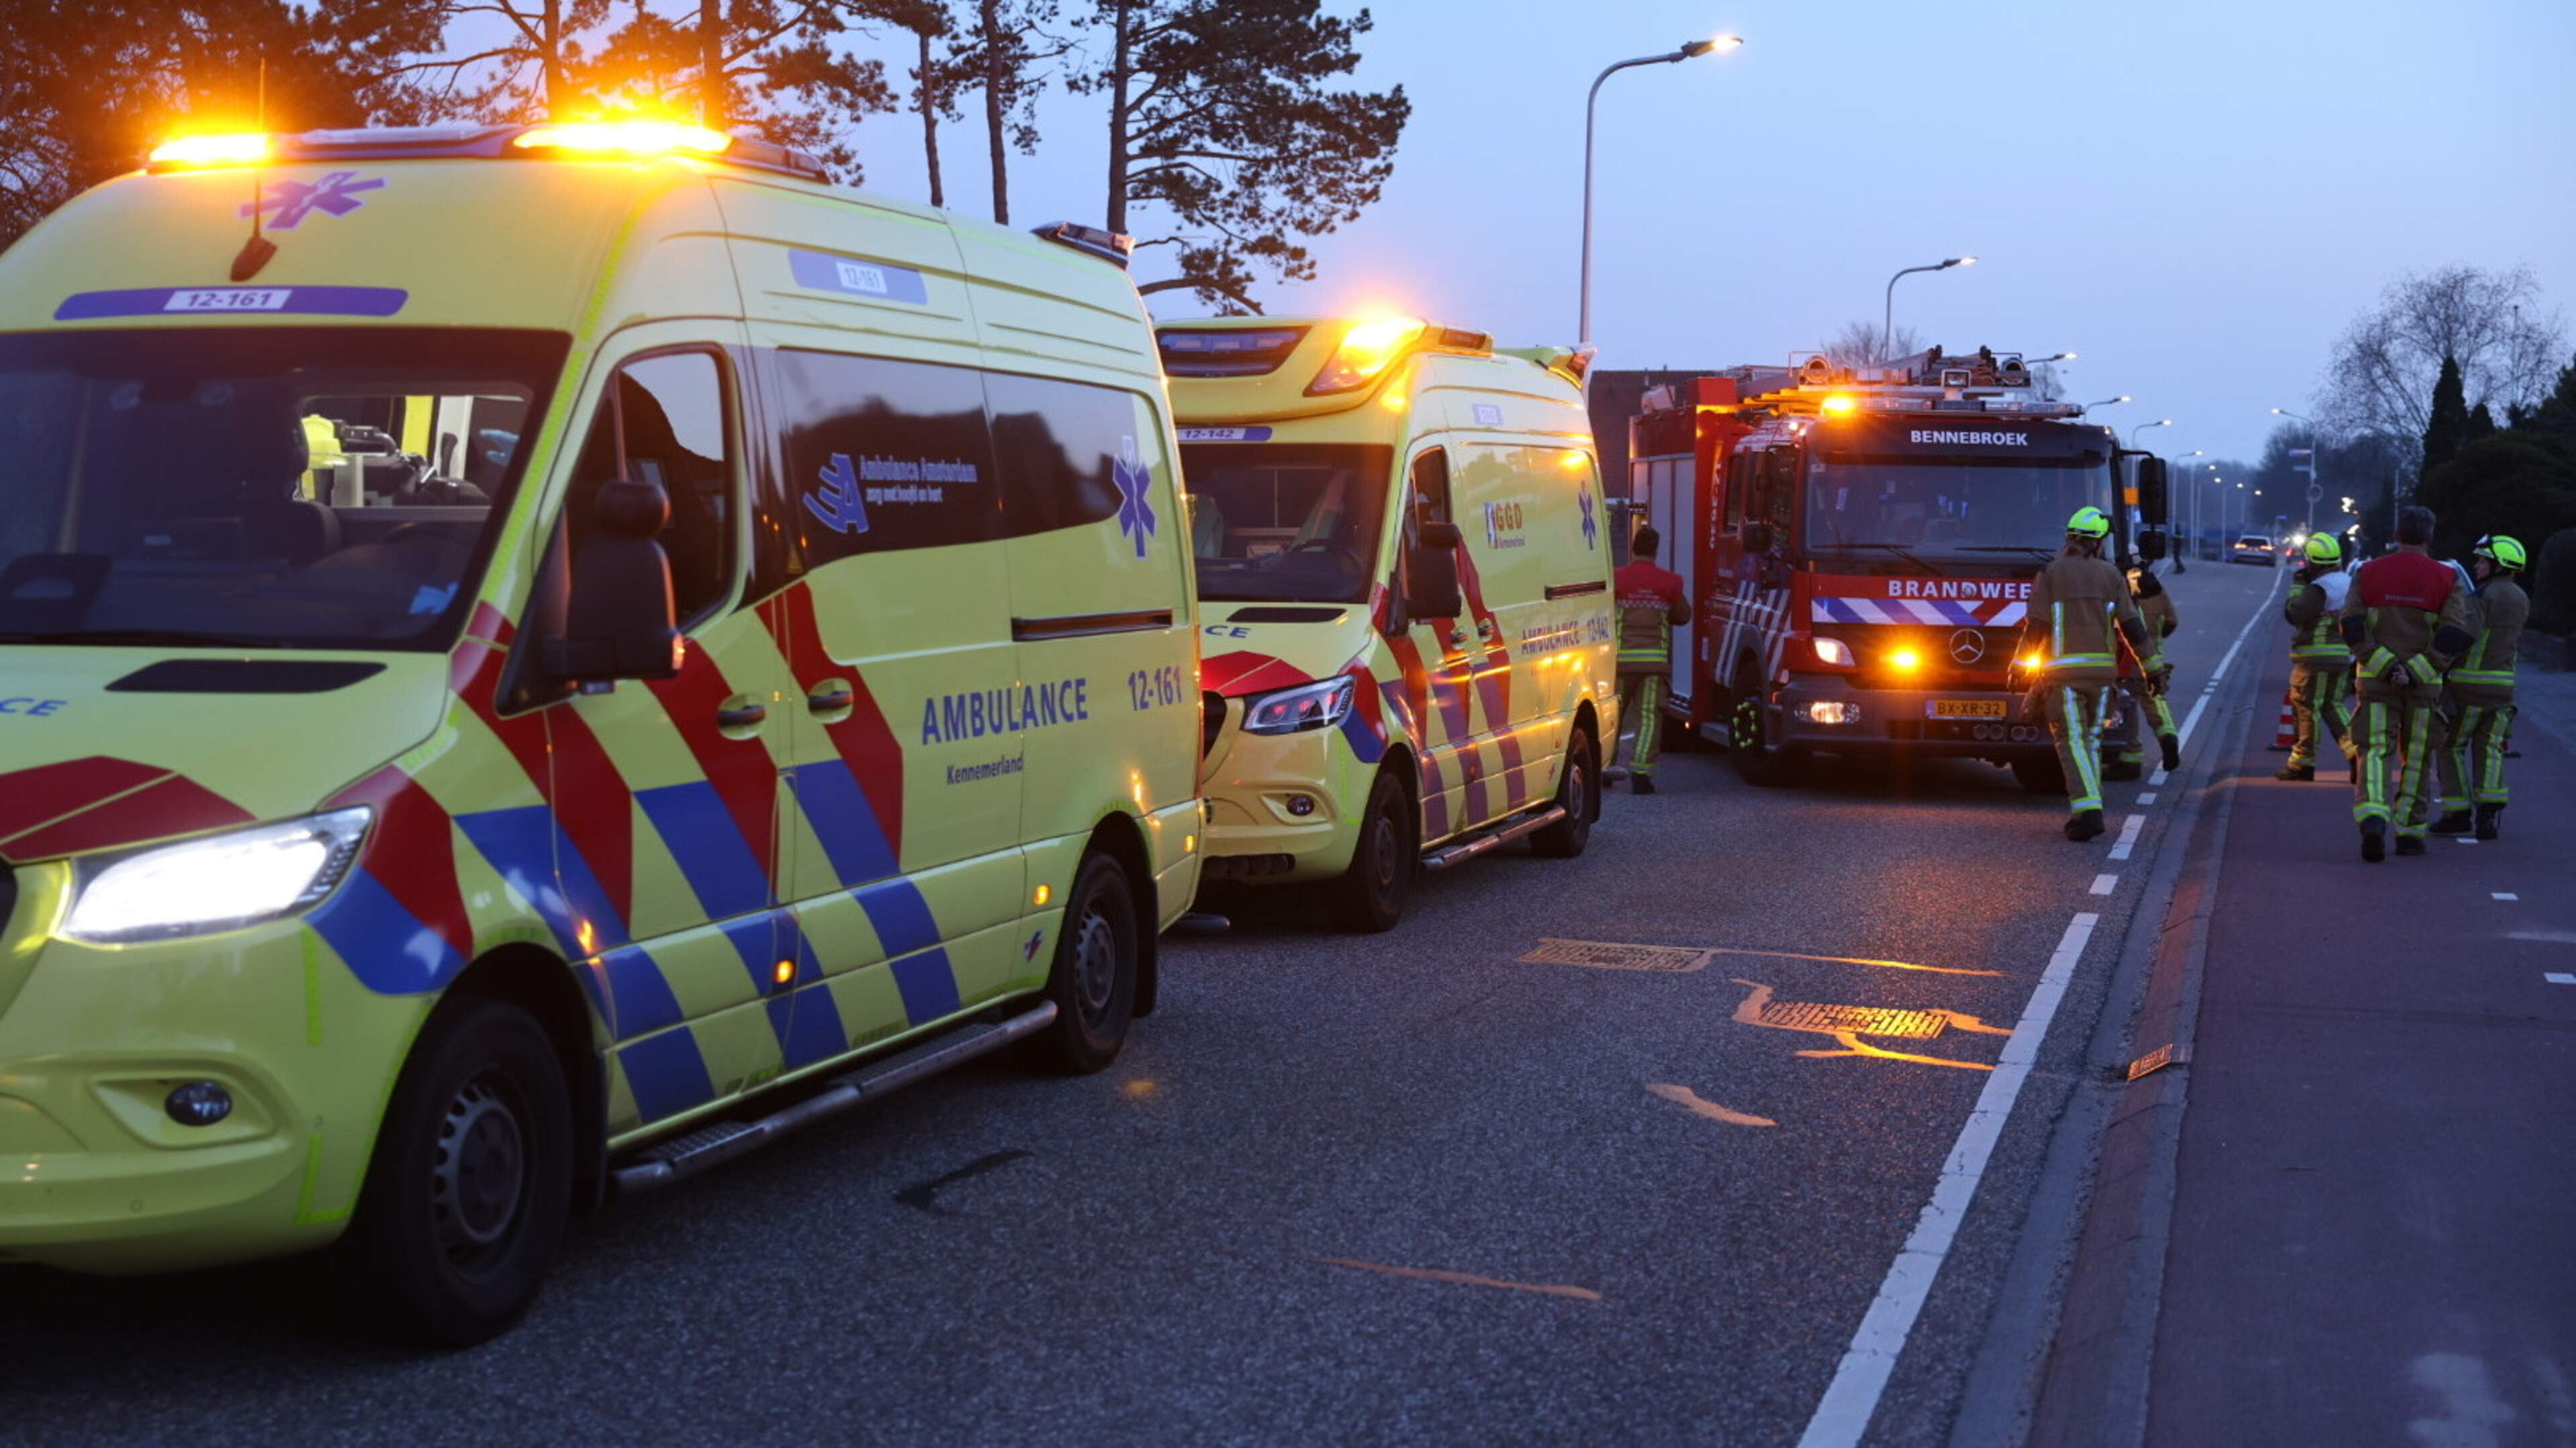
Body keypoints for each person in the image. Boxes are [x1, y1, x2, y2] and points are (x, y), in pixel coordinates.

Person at [2339, 506, 2475, 861]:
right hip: (2423, 687)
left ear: (2398, 535)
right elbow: (2453, 633)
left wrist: (2384, 666)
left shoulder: (2368, 572)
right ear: (2430, 537)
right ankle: (2410, 834)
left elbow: (2351, 625)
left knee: (2376, 753)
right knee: (2417, 758)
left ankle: (2372, 817)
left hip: (2376, 684)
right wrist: (2415, 670)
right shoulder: (2447, 578)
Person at [2021, 508, 2164, 841]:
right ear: (2099, 542)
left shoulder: (2051, 573)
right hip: (2102, 677)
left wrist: (2018, 668)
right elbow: (2132, 627)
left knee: (2071, 742)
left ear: (2069, 538)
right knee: (2092, 742)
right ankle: (2087, 808)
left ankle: (2088, 813)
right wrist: (2152, 668)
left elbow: (2036, 629)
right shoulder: (2112, 575)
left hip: (2063, 676)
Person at [2432, 534, 2528, 839]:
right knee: (2490, 749)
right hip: (2503, 689)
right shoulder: (2521, 597)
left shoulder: (2481, 597)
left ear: (2498, 565)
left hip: (2468, 687)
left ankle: (2457, 813)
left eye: (2483, 560)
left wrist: (2434, 660)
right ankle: (2489, 811)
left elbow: (2464, 637)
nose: (2477, 564)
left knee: (2451, 746)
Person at [1610, 525, 1691, 794]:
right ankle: (1641, 775)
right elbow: (1682, 616)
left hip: (1620, 664)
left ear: (1633, 548)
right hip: (1654, 666)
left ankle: (1604, 769)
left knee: (1613, 717)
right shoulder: (1669, 582)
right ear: (1656, 551)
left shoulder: (1617, 579)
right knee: (1648, 718)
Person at [2276, 534, 2355, 781]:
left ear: (2312, 562)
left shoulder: (2318, 588)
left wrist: (2298, 585)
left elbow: (2294, 613)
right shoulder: (2349, 583)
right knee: (2334, 705)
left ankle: (2303, 763)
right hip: (2343, 657)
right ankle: (2357, 754)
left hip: (2314, 660)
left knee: (2306, 708)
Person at [2106, 554, 2184, 779]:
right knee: (2156, 701)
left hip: (2127, 662)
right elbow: (2172, 621)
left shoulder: (2118, 588)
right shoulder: (2156, 590)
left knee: (2127, 706)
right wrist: (2157, 639)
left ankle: (2131, 758)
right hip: (2154, 660)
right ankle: (2168, 736)